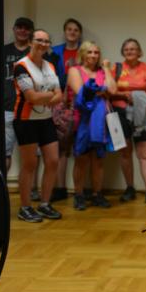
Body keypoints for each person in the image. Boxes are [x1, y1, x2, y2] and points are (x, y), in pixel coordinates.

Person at [12, 29, 63, 222]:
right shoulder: (21, 66)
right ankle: (25, 207)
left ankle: (44, 204)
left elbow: (60, 95)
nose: (43, 44)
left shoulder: (50, 65)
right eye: (39, 40)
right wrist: (50, 95)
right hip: (25, 121)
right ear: (31, 42)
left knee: (53, 161)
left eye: (46, 41)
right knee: (30, 164)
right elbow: (31, 97)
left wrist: (47, 96)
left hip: (46, 119)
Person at [66, 41, 116, 210]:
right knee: (81, 159)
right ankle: (79, 195)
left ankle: (97, 194)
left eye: (96, 52)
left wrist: (107, 69)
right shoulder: (74, 70)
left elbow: (113, 90)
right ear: (83, 54)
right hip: (82, 120)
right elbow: (82, 93)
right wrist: (102, 90)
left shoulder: (102, 71)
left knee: (98, 159)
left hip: (101, 122)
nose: (93, 55)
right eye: (90, 52)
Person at [112, 38, 146, 206]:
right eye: (126, 49)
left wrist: (140, 97)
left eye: (133, 49)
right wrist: (124, 95)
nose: (130, 51)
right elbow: (108, 91)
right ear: (122, 52)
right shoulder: (116, 68)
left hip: (141, 114)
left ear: (139, 52)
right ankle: (130, 188)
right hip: (119, 114)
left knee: (145, 154)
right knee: (124, 153)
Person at [50, 18, 84, 202]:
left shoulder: (85, 51)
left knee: (81, 148)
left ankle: (80, 191)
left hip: (80, 102)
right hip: (59, 103)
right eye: (69, 29)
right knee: (61, 148)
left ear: (79, 33)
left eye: (75, 30)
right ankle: (60, 188)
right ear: (64, 32)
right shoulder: (55, 51)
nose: (72, 32)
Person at [4, 17, 33, 174]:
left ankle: (31, 187)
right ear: (14, 29)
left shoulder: (35, 52)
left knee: (31, 155)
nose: (22, 30)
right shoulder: (3, 51)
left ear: (31, 32)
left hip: (30, 109)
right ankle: (3, 185)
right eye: (19, 27)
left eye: (26, 28)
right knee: (5, 153)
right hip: (7, 108)